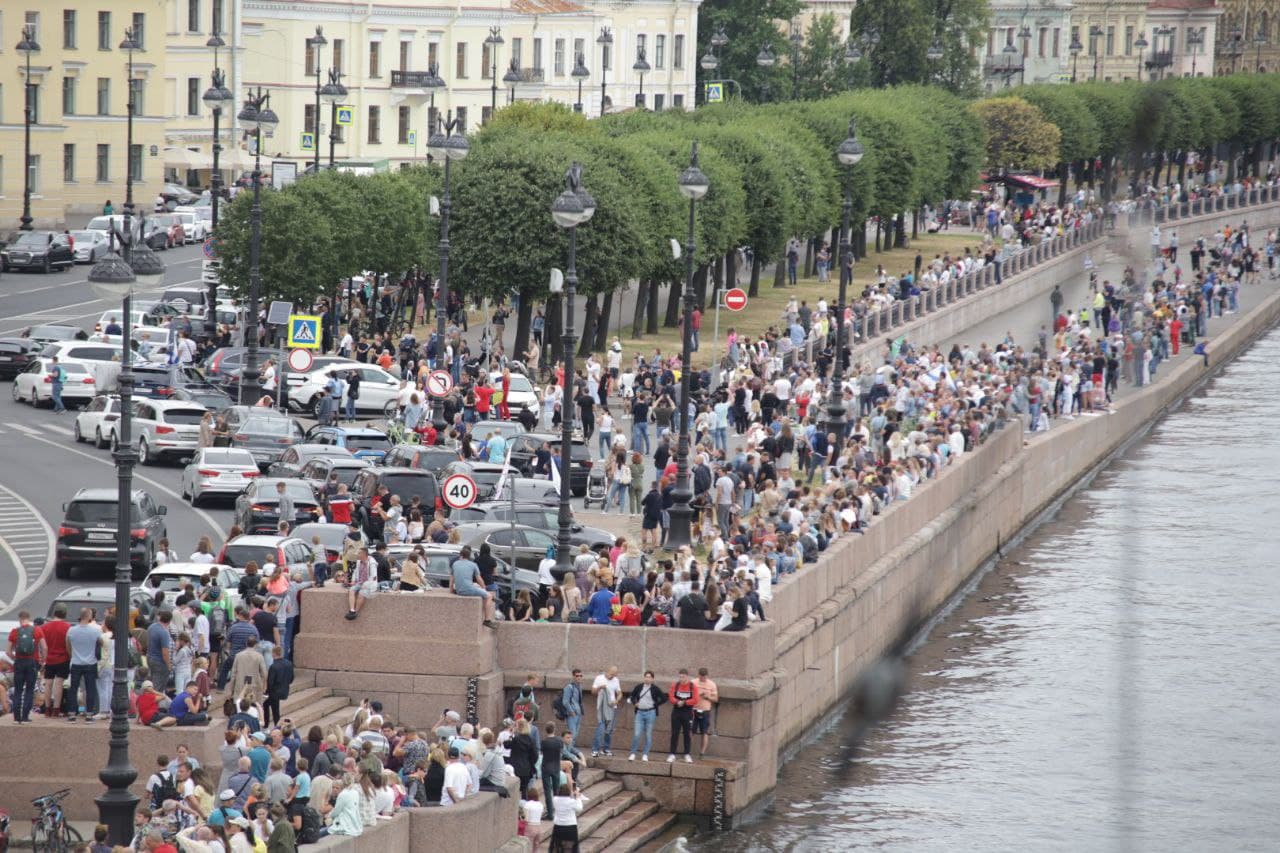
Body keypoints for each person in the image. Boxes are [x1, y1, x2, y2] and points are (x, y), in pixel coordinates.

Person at [7, 610, 46, 723]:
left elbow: (8, 651)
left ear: (20, 619)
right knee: (29, 689)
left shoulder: (15, 632)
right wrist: (43, 660)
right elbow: (44, 647)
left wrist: (15, 658)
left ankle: (16, 717)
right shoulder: (37, 630)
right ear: (29, 619)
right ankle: (25, 716)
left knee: (18, 689)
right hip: (32, 662)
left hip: (19, 662)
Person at [67, 607, 104, 721]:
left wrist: (72, 655)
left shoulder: (72, 630)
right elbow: (101, 643)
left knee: (73, 689)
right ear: (89, 617)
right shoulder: (95, 631)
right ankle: (89, 714)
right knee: (90, 689)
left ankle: (72, 713)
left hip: (76, 662)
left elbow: (68, 645)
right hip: (90, 663)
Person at [449, 545, 498, 627]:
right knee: (488, 596)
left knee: (476, 586)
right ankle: (487, 620)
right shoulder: (473, 564)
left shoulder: (455, 564)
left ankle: (488, 595)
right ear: (469, 556)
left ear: (461, 555)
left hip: (458, 590)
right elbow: (479, 579)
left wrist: (451, 590)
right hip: (468, 590)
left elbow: (452, 579)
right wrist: (484, 588)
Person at [626, 670, 666, 762]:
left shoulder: (655, 688)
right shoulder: (639, 687)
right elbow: (632, 696)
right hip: (639, 713)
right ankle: (633, 753)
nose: (647, 679)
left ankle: (645, 754)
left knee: (648, 734)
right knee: (637, 734)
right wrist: (635, 703)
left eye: (649, 677)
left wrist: (655, 704)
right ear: (644, 678)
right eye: (646, 677)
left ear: (652, 679)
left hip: (650, 713)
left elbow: (664, 698)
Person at [666, 669, 699, 764]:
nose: (681, 679)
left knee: (687, 734)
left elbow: (696, 699)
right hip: (676, 712)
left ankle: (687, 754)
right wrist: (677, 702)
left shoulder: (693, 687)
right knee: (674, 733)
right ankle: (672, 754)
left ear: (687, 677)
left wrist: (684, 702)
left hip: (687, 712)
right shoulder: (675, 685)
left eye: (683, 677)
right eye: (680, 677)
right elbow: (671, 697)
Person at [590, 665, 621, 757]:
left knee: (609, 730)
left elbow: (619, 693)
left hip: (612, 707)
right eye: (611, 674)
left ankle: (606, 749)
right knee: (601, 727)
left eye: (614, 675)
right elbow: (593, 692)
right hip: (602, 708)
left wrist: (616, 700)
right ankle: (595, 749)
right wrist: (600, 687)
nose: (612, 676)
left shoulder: (616, 680)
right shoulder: (599, 678)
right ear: (608, 671)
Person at [548, 782, 584, 853]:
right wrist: (577, 797)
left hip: (558, 826)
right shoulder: (572, 802)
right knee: (570, 849)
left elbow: (561, 800)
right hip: (570, 827)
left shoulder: (555, 800)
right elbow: (579, 808)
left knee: (557, 846)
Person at [694, 667, 719, 757]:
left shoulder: (712, 684)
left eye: (704, 677)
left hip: (705, 710)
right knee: (690, 731)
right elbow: (689, 694)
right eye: (701, 677)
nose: (702, 679)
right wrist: (697, 695)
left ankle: (702, 752)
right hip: (694, 709)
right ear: (698, 675)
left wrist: (707, 697)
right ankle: (687, 750)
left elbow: (716, 699)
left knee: (704, 732)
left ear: (707, 676)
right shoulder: (694, 682)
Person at [559, 669, 584, 744]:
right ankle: (568, 751)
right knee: (572, 734)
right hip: (572, 714)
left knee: (575, 734)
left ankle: (570, 750)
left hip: (579, 713)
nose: (579, 677)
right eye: (577, 676)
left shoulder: (579, 687)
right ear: (573, 676)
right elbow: (565, 701)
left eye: (580, 676)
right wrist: (571, 711)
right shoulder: (569, 687)